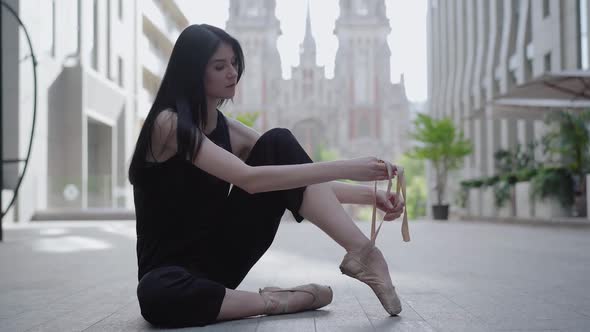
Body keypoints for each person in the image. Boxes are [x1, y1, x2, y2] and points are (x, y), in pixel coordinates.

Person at [128, 24, 406, 328]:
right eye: (219, 66)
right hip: (169, 276)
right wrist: (347, 167)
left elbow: (292, 174)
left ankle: (363, 253)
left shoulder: (230, 130)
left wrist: (370, 196)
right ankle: (280, 300)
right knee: (156, 295)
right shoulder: (167, 124)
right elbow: (250, 179)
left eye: (234, 63)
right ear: (193, 71)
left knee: (278, 142)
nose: (232, 72)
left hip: (219, 261)